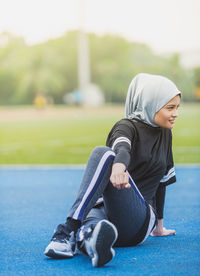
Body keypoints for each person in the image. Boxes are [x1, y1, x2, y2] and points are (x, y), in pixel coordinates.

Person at [44, 73, 181, 267]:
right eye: (170, 108)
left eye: (177, 108)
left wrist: (159, 226)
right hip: (104, 212)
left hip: (138, 221)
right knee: (91, 226)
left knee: (104, 153)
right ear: (150, 104)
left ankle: (66, 231)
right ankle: (91, 244)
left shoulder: (166, 134)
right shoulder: (126, 126)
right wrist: (119, 163)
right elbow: (121, 146)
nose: (175, 113)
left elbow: (162, 181)